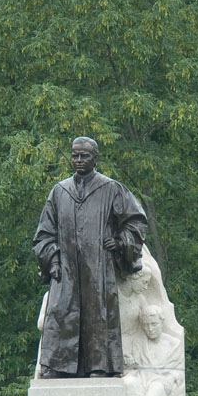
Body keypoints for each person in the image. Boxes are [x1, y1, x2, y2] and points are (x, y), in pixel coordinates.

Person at [33, 137, 147, 377]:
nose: (79, 160)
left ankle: (100, 366)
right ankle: (57, 367)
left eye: (84, 155)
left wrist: (119, 243)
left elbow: (135, 222)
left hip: (98, 269)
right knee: (62, 313)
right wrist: (52, 261)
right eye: (75, 155)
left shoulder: (111, 189)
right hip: (66, 270)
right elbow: (44, 233)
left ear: (95, 158)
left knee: (98, 315)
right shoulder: (59, 192)